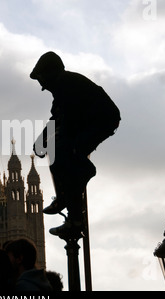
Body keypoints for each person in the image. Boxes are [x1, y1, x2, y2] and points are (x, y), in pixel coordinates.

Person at [31, 51, 121, 236]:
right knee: (61, 157)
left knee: (65, 156)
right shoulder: (61, 86)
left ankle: (74, 214)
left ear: (48, 74)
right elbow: (56, 117)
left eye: (42, 81)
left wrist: (55, 143)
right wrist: (41, 141)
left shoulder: (66, 84)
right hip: (91, 122)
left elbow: (67, 121)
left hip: (101, 121)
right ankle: (65, 196)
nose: (43, 87)